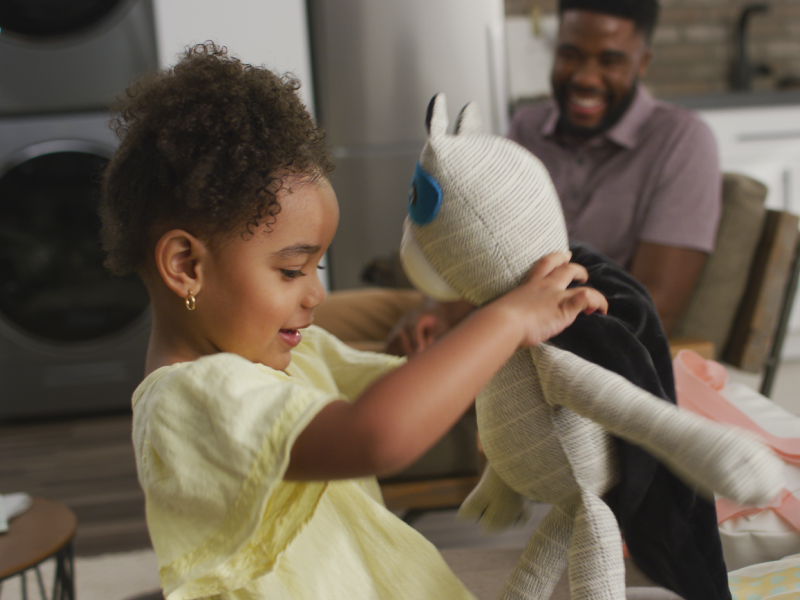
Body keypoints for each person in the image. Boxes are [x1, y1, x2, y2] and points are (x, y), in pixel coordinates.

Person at [98, 42, 607, 600]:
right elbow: (374, 434)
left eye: (317, 266)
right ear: (186, 265)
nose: (316, 292)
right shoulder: (188, 401)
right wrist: (508, 319)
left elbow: (408, 389)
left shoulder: (290, 355)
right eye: (292, 270)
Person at [381, 0, 721, 355]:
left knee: (366, 376)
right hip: (494, 314)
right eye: (570, 55)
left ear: (643, 63)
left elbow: (656, 309)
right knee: (336, 328)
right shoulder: (527, 126)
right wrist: (439, 312)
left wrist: (488, 334)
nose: (585, 78)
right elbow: (486, 246)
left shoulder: (682, 140)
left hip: (562, 348)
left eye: (609, 61)